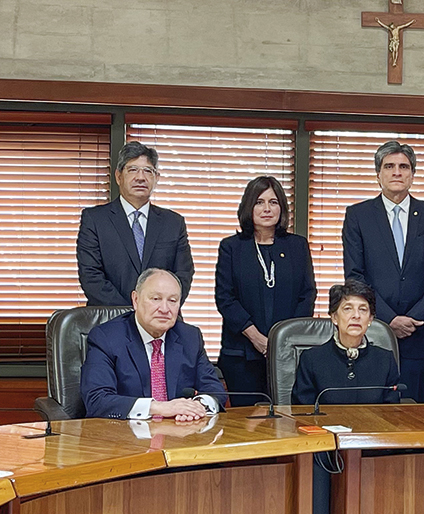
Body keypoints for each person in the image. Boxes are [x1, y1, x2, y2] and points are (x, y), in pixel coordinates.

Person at [342, 140, 424, 403]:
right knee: (373, 411)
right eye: (389, 166)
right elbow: (356, 276)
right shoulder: (358, 215)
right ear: (378, 174)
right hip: (374, 330)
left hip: (419, 334)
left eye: (403, 166)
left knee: (413, 415)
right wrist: (389, 319)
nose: (397, 172)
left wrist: (411, 320)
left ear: (412, 174)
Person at [292, 279, 401, 514]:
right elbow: (302, 411)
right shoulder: (312, 358)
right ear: (334, 317)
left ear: (371, 319)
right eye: (347, 309)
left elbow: (392, 412)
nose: (356, 316)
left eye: (363, 310)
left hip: (373, 450)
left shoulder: (384, 359)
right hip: (325, 450)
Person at [215, 176, 316, 407]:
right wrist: (258, 339)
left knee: (287, 420)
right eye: (259, 202)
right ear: (248, 206)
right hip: (241, 353)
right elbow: (225, 298)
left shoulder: (297, 246)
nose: (267, 209)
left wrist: (284, 340)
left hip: (289, 353)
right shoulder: (232, 247)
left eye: (274, 202)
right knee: (247, 426)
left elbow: (307, 294)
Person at [80, 268, 225, 420]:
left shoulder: (189, 337)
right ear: (135, 300)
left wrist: (197, 407)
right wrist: (159, 408)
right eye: (155, 299)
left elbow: (215, 390)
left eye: (172, 301)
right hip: (124, 437)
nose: (164, 309)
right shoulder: (106, 338)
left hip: (179, 435)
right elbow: (97, 399)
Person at [77, 141, 195, 306]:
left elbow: (183, 274)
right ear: (118, 176)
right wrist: (132, 315)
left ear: (156, 178)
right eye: (132, 170)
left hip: (161, 321)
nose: (140, 177)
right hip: (110, 321)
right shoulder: (95, 219)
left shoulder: (173, 223)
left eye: (148, 171)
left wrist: (155, 310)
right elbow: (91, 276)